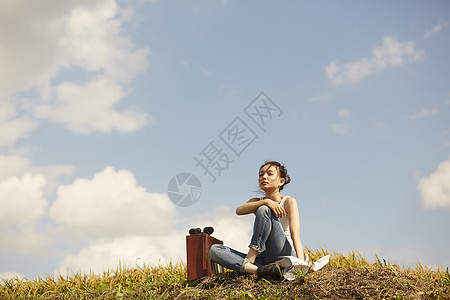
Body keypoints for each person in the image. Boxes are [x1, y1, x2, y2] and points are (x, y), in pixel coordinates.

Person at [209, 160, 305, 278]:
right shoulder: (259, 201)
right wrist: (266, 201)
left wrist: (301, 263)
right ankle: (260, 270)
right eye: (261, 174)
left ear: (281, 181)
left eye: (269, 174)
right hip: (264, 258)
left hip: (283, 254)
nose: (264, 177)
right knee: (215, 250)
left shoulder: (289, 201)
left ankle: (249, 262)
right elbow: (239, 210)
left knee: (263, 209)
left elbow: (295, 234)